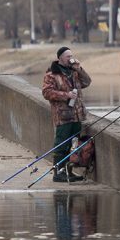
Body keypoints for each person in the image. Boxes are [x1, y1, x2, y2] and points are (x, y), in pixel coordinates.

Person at [42, 46, 92, 182]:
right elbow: (46, 93)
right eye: (67, 56)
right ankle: (58, 174)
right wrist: (66, 95)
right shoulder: (51, 74)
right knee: (61, 145)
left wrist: (79, 69)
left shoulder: (74, 72)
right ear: (60, 58)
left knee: (72, 146)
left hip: (77, 115)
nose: (70, 58)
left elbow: (87, 82)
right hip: (63, 116)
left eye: (71, 55)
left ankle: (68, 173)